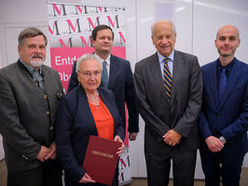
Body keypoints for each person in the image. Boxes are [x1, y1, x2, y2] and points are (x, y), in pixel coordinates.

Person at [134, 20, 202, 186]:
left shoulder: (191, 62)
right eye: (159, 37)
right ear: (152, 39)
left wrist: (178, 131)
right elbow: (142, 105)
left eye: (168, 36)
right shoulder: (141, 67)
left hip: (185, 139)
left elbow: (195, 101)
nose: (164, 41)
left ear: (175, 37)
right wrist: (166, 133)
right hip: (156, 140)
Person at [0, 27, 64, 186]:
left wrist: (58, 142)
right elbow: (8, 124)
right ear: (19, 49)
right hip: (24, 161)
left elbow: (61, 113)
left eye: (41, 47)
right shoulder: (5, 77)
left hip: (53, 157)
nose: (38, 51)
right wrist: (36, 150)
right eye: (32, 46)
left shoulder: (53, 74)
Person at [55, 54, 125, 186]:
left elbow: (119, 123)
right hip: (83, 172)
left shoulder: (108, 95)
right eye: (87, 73)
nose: (92, 78)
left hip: (109, 167)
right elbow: (63, 143)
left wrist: (119, 137)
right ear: (78, 76)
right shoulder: (69, 101)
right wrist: (76, 172)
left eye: (96, 73)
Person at [68, 25, 139, 140]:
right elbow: (71, 95)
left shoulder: (124, 65)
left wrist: (133, 127)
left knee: (111, 156)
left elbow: (132, 99)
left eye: (109, 38)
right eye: (102, 38)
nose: (106, 41)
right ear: (93, 41)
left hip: (116, 127)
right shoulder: (81, 64)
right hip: (88, 126)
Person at [199, 25, 248, 186]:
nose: (226, 43)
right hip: (208, 143)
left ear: (238, 43)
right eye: (222, 38)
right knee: (210, 181)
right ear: (216, 42)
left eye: (231, 39)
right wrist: (208, 136)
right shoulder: (203, 72)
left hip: (234, 143)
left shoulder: (246, 73)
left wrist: (223, 137)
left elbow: (246, 113)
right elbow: (198, 108)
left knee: (231, 182)